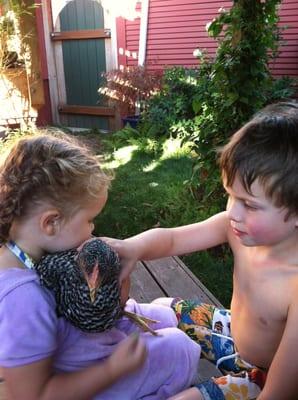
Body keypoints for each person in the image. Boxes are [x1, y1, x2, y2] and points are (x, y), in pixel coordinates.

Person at [105, 101, 298, 400]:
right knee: (162, 309)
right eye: (231, 196)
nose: (233, 212)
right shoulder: (236, 230)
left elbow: (278, 393)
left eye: (250, 204)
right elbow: (171, 240)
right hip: (235, 334)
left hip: (269, 378)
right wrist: (132, 247)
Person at [0, 132, 201, 400]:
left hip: (70, 348)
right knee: (179, 349)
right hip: (72, 382)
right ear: (51, 223)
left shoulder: (25, 252)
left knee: (163, 314)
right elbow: (33, 396)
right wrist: (112, 369)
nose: (92, 229)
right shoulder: (23, 300)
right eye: (89, 220)